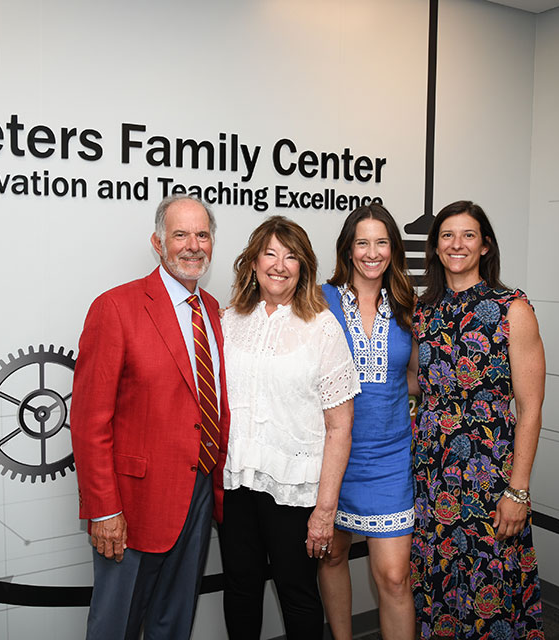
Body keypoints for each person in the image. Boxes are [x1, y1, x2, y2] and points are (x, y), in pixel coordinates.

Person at [71, 194, 230, 640]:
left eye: (202, 234)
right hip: (133, 506)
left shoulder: (214, 312)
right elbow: (88, 422)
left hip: (197, 495)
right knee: (115, 626)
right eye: (181, 234)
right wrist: (104, 510)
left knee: (173, 623)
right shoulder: (116, 308)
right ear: (158, 242)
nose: (193, 245)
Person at [218, 215, 360, 640]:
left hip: (294, 492)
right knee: (240, 590)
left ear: (304, 267)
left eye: (291, 256)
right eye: (270, 253)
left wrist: (325, 510)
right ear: (253, 262)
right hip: (237, 482)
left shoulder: (323, 328)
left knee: (297, 593)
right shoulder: (229, 321)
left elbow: (340, 427)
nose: (279, 265)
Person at [408, 200, 545, 639]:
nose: (457, 244)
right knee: (439, 586)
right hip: (432, 476)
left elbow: (531, 408)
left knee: (493, 591)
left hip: (489, 477)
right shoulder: (422, 311)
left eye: (468, 235)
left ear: (485, 245)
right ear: (435, 246)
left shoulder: (512, 309)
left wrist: (518, 491)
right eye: (447, 235)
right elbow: (415, 381)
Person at [318, 204, 417, 640]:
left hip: (390, 459)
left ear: (393, 249)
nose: (372, 252)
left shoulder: (409, 307)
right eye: (363, 242)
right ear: (348, 249)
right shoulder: (319, 301)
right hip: (331, 457)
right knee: (333, 557)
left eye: (381, 242)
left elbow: (416, 378)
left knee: (394, 577)